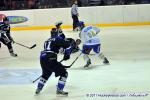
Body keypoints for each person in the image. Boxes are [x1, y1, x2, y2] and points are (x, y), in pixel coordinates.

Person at [35, 28, 73, 96]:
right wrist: (67, 55)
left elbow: (54, 49)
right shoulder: (58, 38)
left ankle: (38, 89)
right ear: (57, 33)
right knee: (64, 73)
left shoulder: (46, 40)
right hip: (50, 57)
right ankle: (59, 90)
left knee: (46, 74)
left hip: (42, 57)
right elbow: (68, 46)